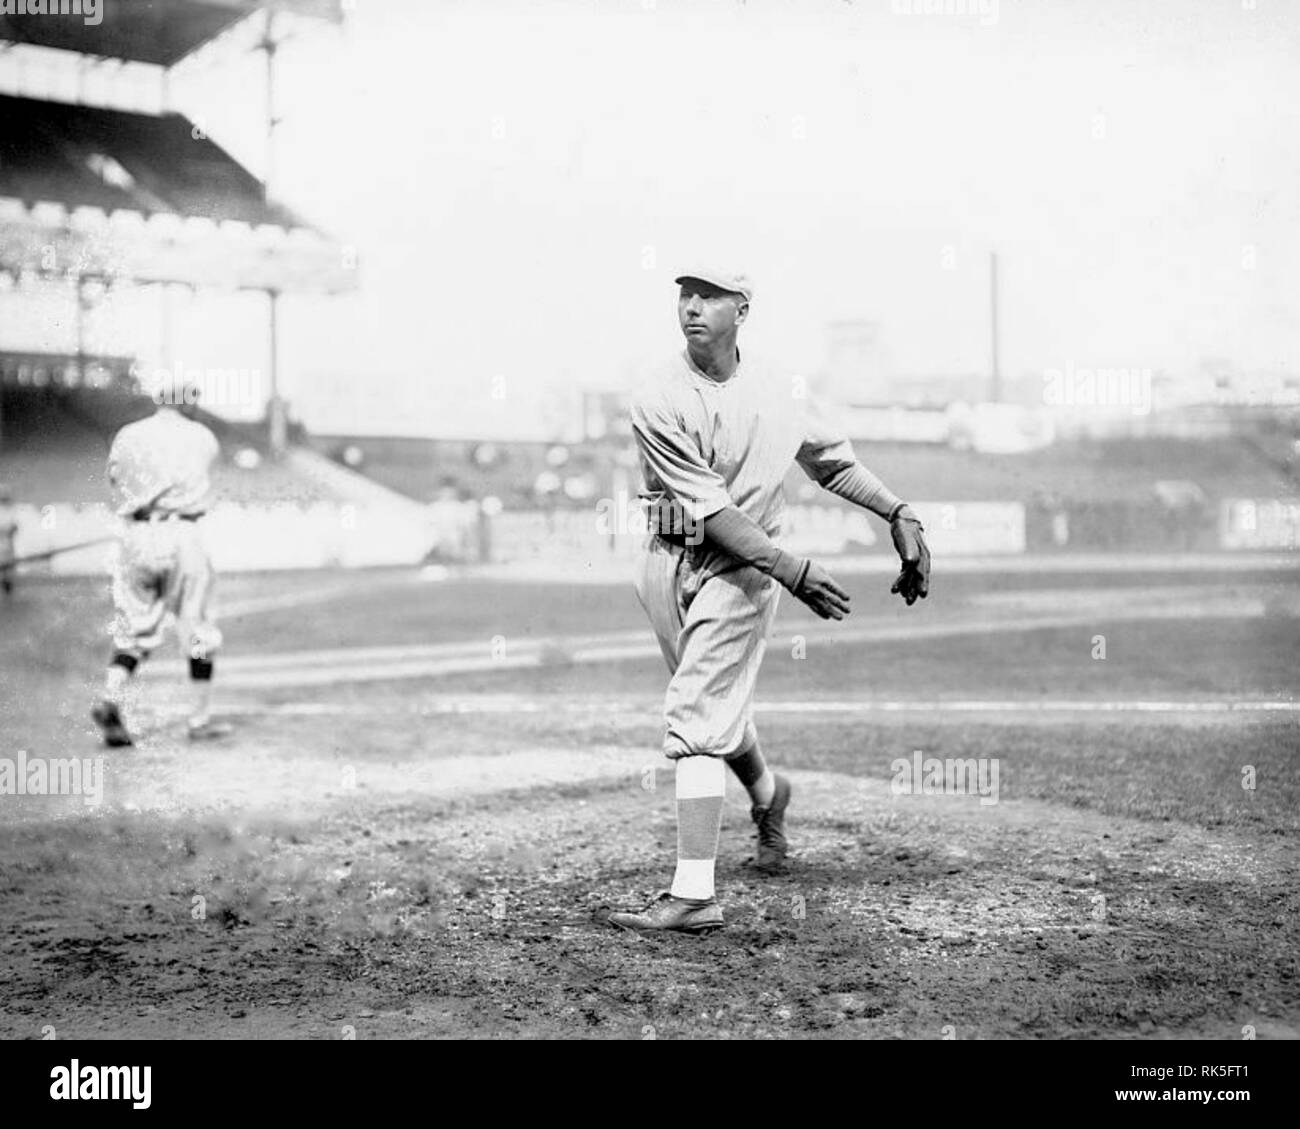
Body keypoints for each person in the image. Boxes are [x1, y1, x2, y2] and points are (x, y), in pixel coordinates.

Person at [608, 269, 930, 934]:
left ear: (742, 309)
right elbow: (706, 508)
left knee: (698, 709)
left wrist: (896, 510)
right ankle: (768, 791)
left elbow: (831, 461)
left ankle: (695, 894)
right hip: (667, 561)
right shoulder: (656, 393)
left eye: (710, 295)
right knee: (712, 703)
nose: (693, 307)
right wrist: (797, 569)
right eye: (685, 294)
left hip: (745, 571)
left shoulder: (781, 387)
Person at [91, 388, 232, 746]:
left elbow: (114, 479)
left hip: (136, 535)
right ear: (186, 401)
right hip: (183, 533)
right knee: (197, 627)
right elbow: (204, 478)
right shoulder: (202, 436)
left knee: (134, 630)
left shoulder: (128, 434)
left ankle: (111, 696)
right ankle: (200, 719)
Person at [0, 485, 18, 599]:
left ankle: (7, 591)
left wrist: (10, 529)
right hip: (3, 545)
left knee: (7, 569)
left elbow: (15, 527)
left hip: (7, 545)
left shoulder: (10, 511)